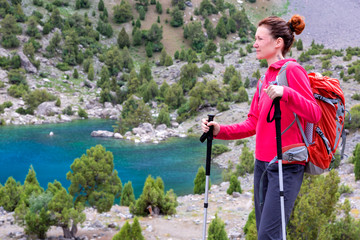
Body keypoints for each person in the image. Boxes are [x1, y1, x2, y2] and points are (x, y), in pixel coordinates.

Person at [201, 15, 321, 239]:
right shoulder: (264, 79)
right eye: (254, 39)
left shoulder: (292, 71)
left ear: (278, 42)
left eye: (259, 38)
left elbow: (314, 113)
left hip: (286, 165)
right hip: (262, 165)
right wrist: (219, 130)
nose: (254, 44)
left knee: (269, 235)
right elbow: (252, 123)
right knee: (264, 234)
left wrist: (287, 93)